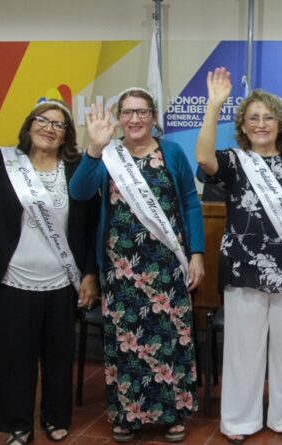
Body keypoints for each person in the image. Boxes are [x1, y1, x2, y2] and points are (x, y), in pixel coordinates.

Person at [0, 76, 99, 445]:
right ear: (29, 127)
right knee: (14, 355)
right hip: (11, 279)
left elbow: (89, 225)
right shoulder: (3, 162)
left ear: (67, 133)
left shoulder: (76, 169)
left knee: (58, 355)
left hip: (62, 281)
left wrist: (89, 273)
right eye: (42, 120)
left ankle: (56, 418)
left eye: (58, 123)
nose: (49, 128)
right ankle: (17, 424)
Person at [69, 87, 205, 443]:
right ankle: (127, 415)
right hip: (120, 269)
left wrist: (197, 253)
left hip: (168, 267)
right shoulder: (108, 155)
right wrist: (94, 149)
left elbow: (190, 203)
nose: (134, 119)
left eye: (141, 112)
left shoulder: (172, 152)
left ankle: (173, 414)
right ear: (118, 118)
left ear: (154, 117)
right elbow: (79, 193)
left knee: (170, 340)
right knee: (126, 342)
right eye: (127, 113)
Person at [194, 67, 282, 444]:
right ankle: (240, 420)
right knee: (242, 351)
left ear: (280, 123)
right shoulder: (234, 161)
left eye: (268, 117)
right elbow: (203, 158)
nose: (261, 124)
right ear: (243, 126)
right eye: (253, 118)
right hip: (242, 266)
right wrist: (214, 105)